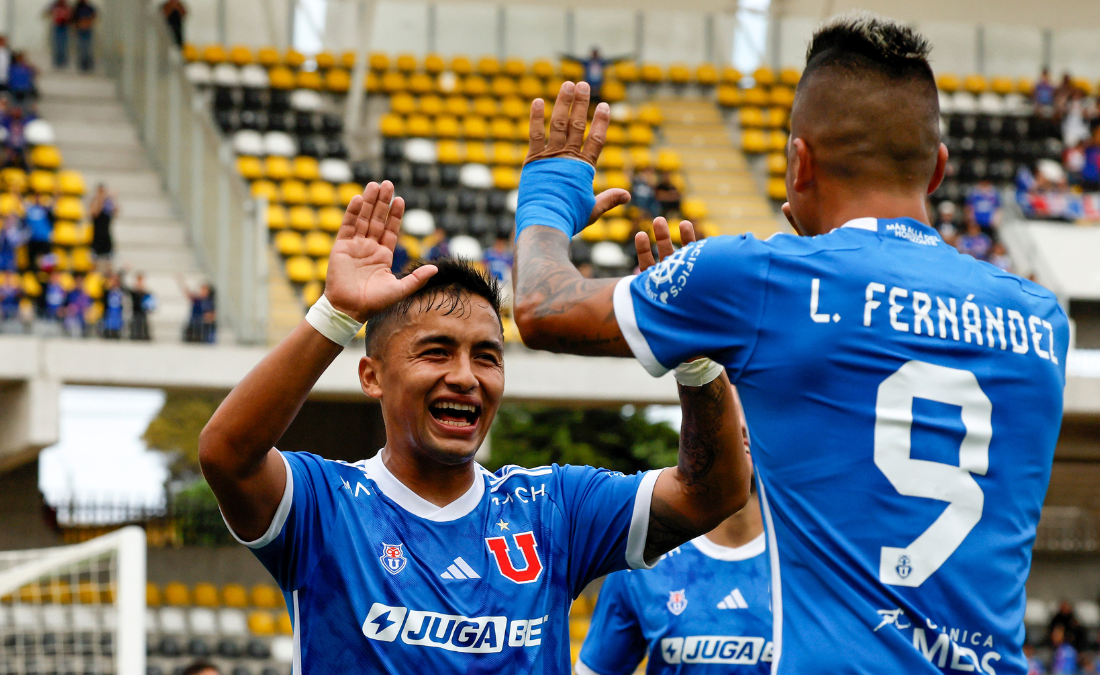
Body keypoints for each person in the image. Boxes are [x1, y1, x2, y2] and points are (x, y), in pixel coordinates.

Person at [510, 14, 1067, 674]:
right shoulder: (1041, 320)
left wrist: (548, 196)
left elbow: (540, 308)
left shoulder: (766, 281)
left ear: (800, 163)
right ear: (938, 168)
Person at [197, 181, 751, 672]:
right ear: (372, 377)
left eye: (487, 357)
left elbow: (714, 491)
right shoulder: (327, 505)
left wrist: (695, 363)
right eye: (436, 352)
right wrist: (335, 314)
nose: (465, 377)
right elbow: (227, 454)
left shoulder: (555, 509)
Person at [576, 386, 770, 675]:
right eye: (724, 412)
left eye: (754, 411)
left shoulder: (815, 561)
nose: (740, 424)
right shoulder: (642, 562)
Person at [89, 184, 116, 262]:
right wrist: (100, 198)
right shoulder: (94, 203)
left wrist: (114, 197)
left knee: (109, 262)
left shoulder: (108, 204)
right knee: (95, 262)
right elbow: (95, 213)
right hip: (96, 238)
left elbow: (116, 212)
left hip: (106, 237)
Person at [123, 271, 152, 340]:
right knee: (135, 328)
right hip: (135, 313)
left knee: (143, 328)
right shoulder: (133, 292)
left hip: (143, 314)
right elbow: (124, 288)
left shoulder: (145, 292)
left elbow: (149, 302)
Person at [71, 0, 97, 72]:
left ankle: (88, 65)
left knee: (88, 48)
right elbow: (73, 19)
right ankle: (82, 66)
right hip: (80, 31)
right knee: (81, 48)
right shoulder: (77, 8)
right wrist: (77, 26)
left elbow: (94, 16)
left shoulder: (89, 8)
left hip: (87, 30)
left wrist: (88, 22)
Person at [47, 0, 73, 69]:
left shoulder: (67, 7)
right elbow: (49, 13)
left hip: (65, 26)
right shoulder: (54, 6)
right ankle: (57, 62)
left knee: (64, 45)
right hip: (57, 26)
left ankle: (64, 62)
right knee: (56, 44)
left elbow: (70, 15)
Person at [101, 273, 125, 339]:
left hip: (118, 316)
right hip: (108, 316)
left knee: (116, 335)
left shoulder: (121, 291)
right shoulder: (107, 292)